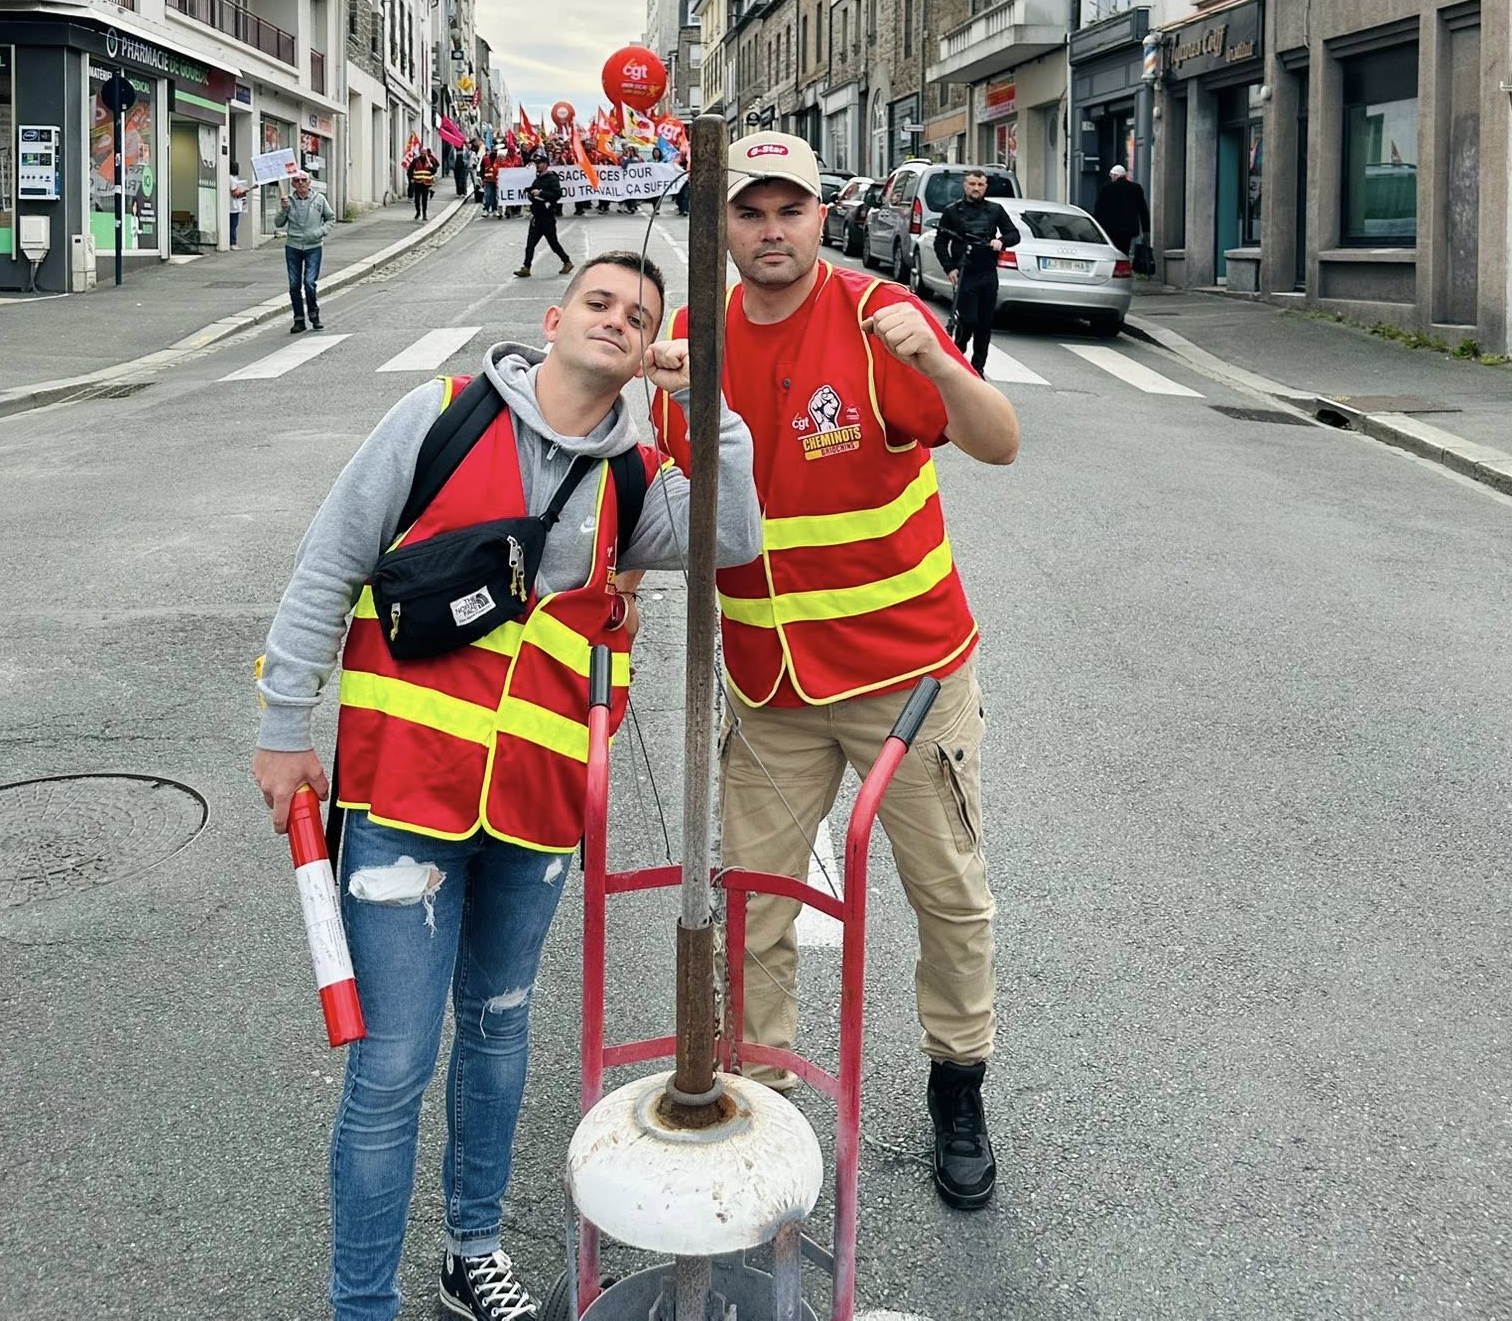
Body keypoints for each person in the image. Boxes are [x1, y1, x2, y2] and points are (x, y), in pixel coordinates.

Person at [251, 253, 762, 1321]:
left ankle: (470, 1250)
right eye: (600, 302)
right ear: (554, 318)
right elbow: (329, 560)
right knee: (392, 1064)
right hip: (403, 798)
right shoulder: (439, 417)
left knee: (496, 1031)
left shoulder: (633, 479)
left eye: (640, 317)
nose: (618, 321)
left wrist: (704, 398)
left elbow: (732, 535)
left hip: (535, 809)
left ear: (649, 349)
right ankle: (361, 1302)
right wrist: (284, 723)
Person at [654, 133, 1020, 1212]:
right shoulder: (692, 345)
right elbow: (660, 500)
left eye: (791, 210)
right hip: (770, 686)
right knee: (754, 902)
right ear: (722, 226)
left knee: (946, 892)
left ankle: (959, 1081)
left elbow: (1000, 441)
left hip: (906, 682)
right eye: (750, 212)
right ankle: (761, 1094)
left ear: (823, 217)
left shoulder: (874, 320)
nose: (772, 231)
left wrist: (940, 361)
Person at [934, 170, 1018, 377]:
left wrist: (1002, 241)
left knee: (984, 325)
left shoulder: (995, 210)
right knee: (968, 320)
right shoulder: (952, 211)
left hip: (987, 273)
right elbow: (940, 242)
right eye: (972, 184)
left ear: (985, 187)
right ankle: (958, 352)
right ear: (965, 185)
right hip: (965, 273)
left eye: (980, 185)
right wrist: (949, 267)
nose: (976, 188)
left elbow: (1014, 234)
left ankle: (978, 368)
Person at [275, 171, 334, 334]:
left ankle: (314, 315)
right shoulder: (289, 201)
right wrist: (284, 210)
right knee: (294, 285)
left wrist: (320, 232)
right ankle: (299, 320)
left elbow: (330, 219)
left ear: (309, 183)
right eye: (297, 180)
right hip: (293, 246)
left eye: (303, 180)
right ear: (293, 184)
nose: (300, 183)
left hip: (313, 246)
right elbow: (278, 223)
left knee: (309, 282)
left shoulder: (319, 199)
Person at [514, 152, 572, 277]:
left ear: (546, 164)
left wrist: (541, 193)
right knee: (530, 245)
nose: (537, 165)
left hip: (547, 217)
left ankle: (567, 261)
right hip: (537, 216)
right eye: (536, 163)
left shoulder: (552, 179)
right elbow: (533, 194)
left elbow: (557, 195)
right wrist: (530, 193)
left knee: (553, 243)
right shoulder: (538, 179)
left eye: (539, 163)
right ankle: (526, 267)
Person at [1094, 162, 1150, 258]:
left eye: (1112, 176)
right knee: (1124, 251)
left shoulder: (1107, 188)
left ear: (1116, 176)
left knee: (1112, 252)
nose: (1111, 178)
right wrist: (1146, 230)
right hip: (1128, 229)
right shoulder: (1136, 188)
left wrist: (1097, 228)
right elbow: (1143, 210)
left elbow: (1099, 209)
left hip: (1110, 228)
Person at [409, 147, 437, 223]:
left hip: (426, 183)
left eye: (424, 152)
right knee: (417, 199)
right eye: (422, 152)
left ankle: (424, 214)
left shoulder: (430, 160)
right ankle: (418, 212)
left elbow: (434, 171)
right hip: (417, 182)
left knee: (424, 199)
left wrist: (431, 166)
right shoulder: (415, 160)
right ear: (420, 152)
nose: (423, 153)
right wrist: (411, 178)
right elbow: (410, 170)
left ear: (427, 153)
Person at [479, 145, 503, 220]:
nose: (495, 152)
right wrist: (482, 178)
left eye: (496, 151)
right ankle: (486, 209)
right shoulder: (485, 159)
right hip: (488, 180)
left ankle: (494, 209)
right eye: (494, 150)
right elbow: (482, 169)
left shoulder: (499, 159)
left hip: (496, 180)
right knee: (488, 195)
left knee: (495, 196)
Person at [229, 162, 249, 249]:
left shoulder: (234, 178)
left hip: (235, 205)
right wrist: (245, 190)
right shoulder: (231, 179)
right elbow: (234, 193)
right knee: (233, 224)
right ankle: (232, 243)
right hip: (233, 206)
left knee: (233, 224)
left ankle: (233, 242)